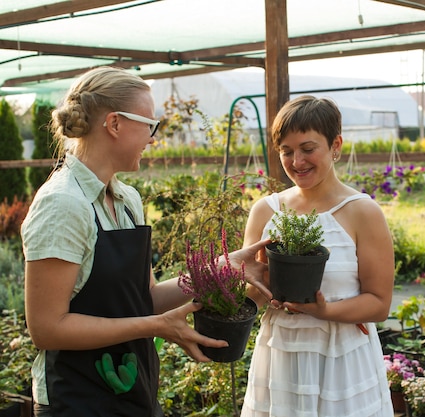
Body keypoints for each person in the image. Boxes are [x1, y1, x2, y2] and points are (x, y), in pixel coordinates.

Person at [21, 66, 269, 417]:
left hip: (132, 389)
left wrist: (218, 270)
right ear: (115, 124)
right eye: (149, 125)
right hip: (77, 399)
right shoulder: (63, 204)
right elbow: (47, 328)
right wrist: (155, 327)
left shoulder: (127, 200)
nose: (154, 137)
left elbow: (146, 298)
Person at [241, 95, 395, 416]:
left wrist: (324, 310)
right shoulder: (265, 211)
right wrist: (249, 283)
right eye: (286, 151)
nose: (296, 161)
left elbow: (379, 303)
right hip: (281, 358)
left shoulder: (362, 212)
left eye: (308, 149)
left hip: (342, 361)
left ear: (335, 145)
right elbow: (253, 297)